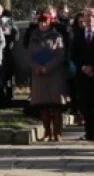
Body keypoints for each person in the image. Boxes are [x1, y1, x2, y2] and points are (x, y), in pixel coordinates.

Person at [28, 8, 67, 141]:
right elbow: (29, 56)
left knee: (55, 106)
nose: (43, 25)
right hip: (38, 75)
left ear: (50, 23)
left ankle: (57, 133)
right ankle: (47, 132)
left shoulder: (57, 37)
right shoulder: (33, 37)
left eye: (45, 22)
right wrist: (37, 67)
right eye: (40, 23)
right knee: (43, 106)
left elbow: (60, 55)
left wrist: (48, 67)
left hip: (53, 75)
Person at [71, 8, 94, 141]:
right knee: (85, 104)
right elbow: (74, 55)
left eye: (93, 16)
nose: (90, 19)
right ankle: (89, 132)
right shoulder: (79, 34)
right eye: (87, 16)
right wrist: (83, 67)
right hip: (83, 74)